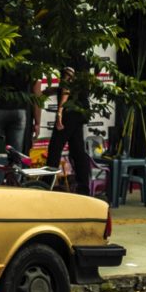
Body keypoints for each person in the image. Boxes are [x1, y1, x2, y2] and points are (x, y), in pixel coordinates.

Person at [46, 65, 91, 195]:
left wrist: (60, 111)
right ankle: (83, 187)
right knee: (77, 150)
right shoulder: (83, 61)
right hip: (80, 109)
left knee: (55, 148)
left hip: (70, 110)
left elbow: (68, 85)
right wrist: (55, 90)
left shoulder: (70, 59)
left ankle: (47, 184)